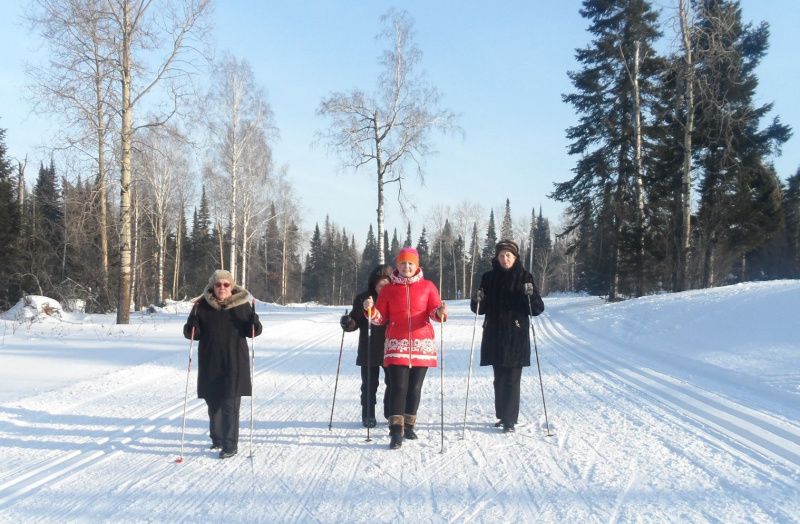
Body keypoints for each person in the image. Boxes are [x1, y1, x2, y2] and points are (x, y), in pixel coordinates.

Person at [364, 247, 447, 449]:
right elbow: (380, 318)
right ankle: (396, 432)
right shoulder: (389, 290)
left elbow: (435, 313)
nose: (406, 267)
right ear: (398, 265)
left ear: (416, 265)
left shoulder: (428, 287)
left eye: (410, 263)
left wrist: (441, 312)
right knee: (398, 387)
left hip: (422, 345)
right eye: (403, 263)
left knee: (414, 388)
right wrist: (370, 310)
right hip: (396, 344)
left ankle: (409, 425)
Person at [183, 269, 262, 459]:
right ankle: (217, 439)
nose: (222, 288)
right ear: (213, 286)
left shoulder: (242, 305)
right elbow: (192, 334)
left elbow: (253, 332)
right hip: (211, 361)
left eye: (226, 284)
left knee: (230, 405)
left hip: (234, 361)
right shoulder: (201, 306)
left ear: (231, 286)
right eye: (218, 284)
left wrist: (254, 322)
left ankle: (230, 445)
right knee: (214, 404)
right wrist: (192, 325)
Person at [470, 239, 544, 433]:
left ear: (515, 257)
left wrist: (531, 294)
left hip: (515, 335)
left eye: (508, 255)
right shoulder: (488, 278)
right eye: (502, 255)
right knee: (499, 378)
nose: (505, 259)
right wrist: (477, 299)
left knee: (512, 378)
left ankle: (510, 419)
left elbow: (537, 309)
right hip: (494, 333)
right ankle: (502, 415)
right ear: (497, 257)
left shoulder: (524, 276)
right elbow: (479, 309)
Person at [340, 264, 393, 428]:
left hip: (391, 348)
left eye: (386, 283)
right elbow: (355, 321)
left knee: (393, 383)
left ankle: (390, 411)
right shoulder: (364, 298)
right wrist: (348, 323)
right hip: (369, 348)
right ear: (373, 284)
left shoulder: (395, 298)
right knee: (369, 384)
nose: (382, 287)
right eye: (379, 283)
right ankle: (368, 414)